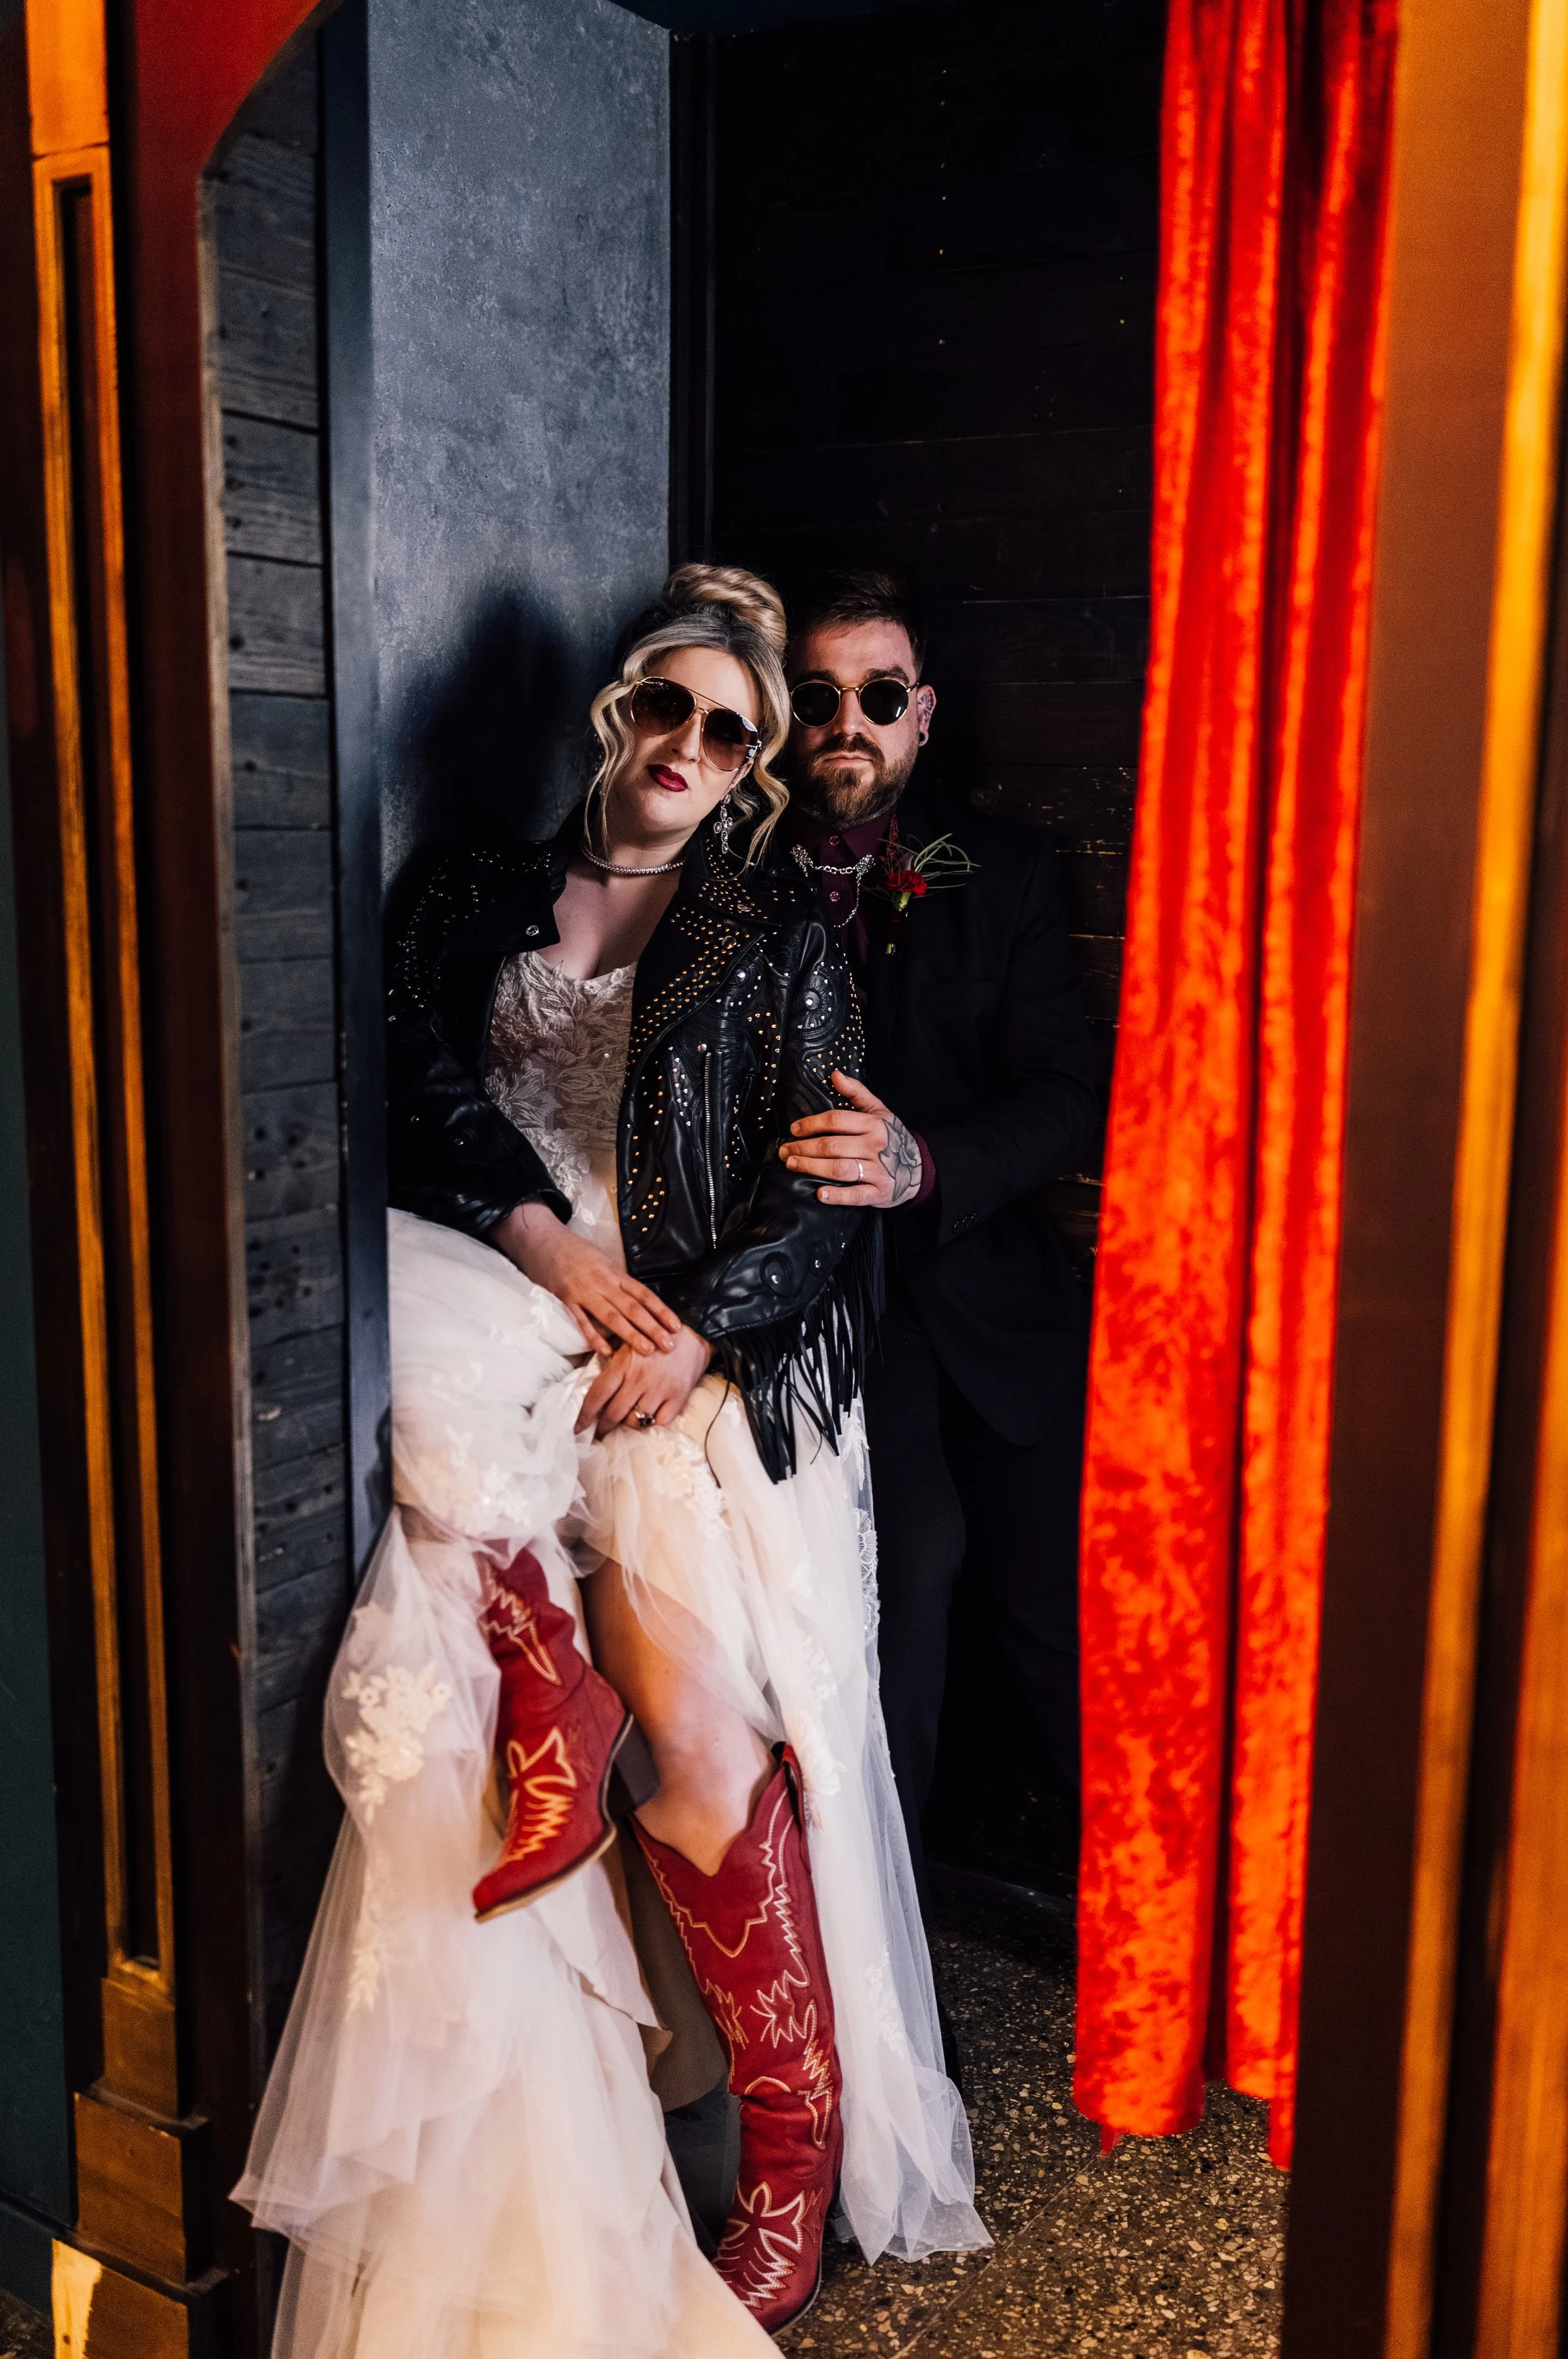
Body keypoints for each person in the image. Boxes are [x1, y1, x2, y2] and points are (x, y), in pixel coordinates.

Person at [233, 565, 985, 2357]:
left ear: (751, 767)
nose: (687, 745)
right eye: (666, 704)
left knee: (702, 1739)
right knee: (415, 1347)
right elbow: (405, 1079)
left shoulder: (773, 940)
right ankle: (530, 1664)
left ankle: (788, 2161)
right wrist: (544, 1252)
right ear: (615, 707)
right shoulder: (474, 886)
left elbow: (818, 1190)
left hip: (677, 1352)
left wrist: (702, 1328)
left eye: (730, 729)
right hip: (507, 1281)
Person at [776, 571, 1099, 1926]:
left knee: (1050, 1629)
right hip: (827, 1332)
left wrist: (930, 1166)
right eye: (815, 699)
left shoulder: (1001, 878)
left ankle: (1139, 1944)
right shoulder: (730, 886)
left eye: (877, 696)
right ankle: (894, 1975)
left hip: (991, 1311)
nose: (846, 721)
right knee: (897, 1622)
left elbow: (1064, 1095)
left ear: (921, 721)